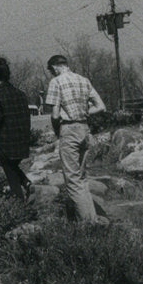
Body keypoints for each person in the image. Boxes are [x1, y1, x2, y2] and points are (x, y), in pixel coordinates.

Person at [44, 54, 106, 222]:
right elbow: (101, 106)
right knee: (82, 177)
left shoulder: (56, 82)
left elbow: (55, 115)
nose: (52, 74)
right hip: (84, 128)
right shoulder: (83, 80)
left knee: (72, 180)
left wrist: (57, 131)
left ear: (55, 67)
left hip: (69, 128)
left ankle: (88, 224)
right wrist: (85, 112)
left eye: (51, 71)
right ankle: (92, 218)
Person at [0, 57, 32, 200]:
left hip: (6, 141)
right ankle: (27, 183)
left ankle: (19, 201)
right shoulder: (20, 93)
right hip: (22, 139)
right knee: (12, 166)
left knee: (9, 171)